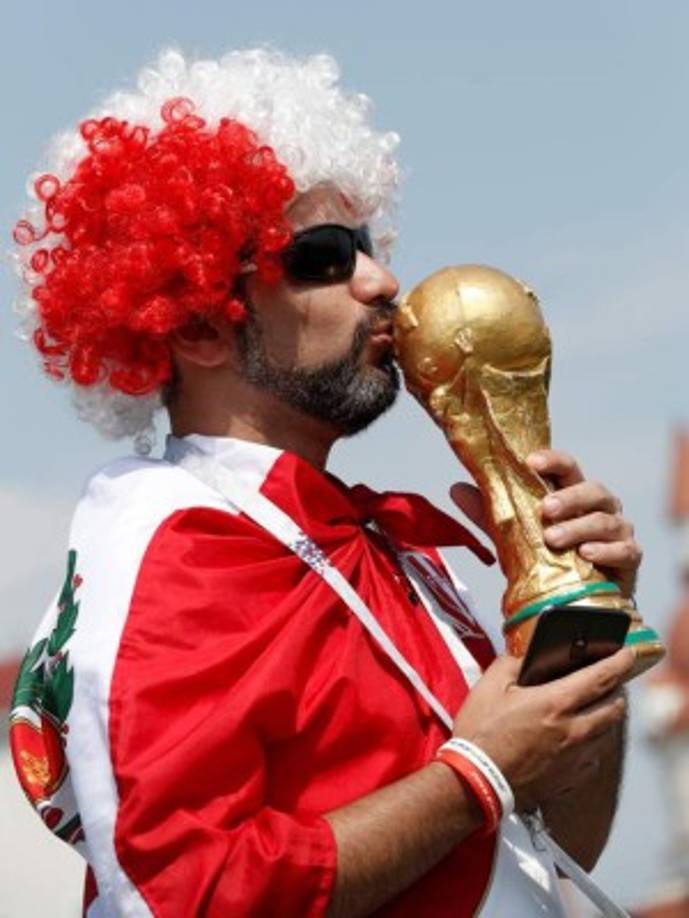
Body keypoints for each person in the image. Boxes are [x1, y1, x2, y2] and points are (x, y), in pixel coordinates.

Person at [9, 48, 641, 917]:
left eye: (370, 247)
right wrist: (476, 769)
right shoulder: (172, 549)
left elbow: (553, 848)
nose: (382, 282)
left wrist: (579, 623)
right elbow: (186, 895)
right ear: (197, 323)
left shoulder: (392, 551)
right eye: (322, 256)